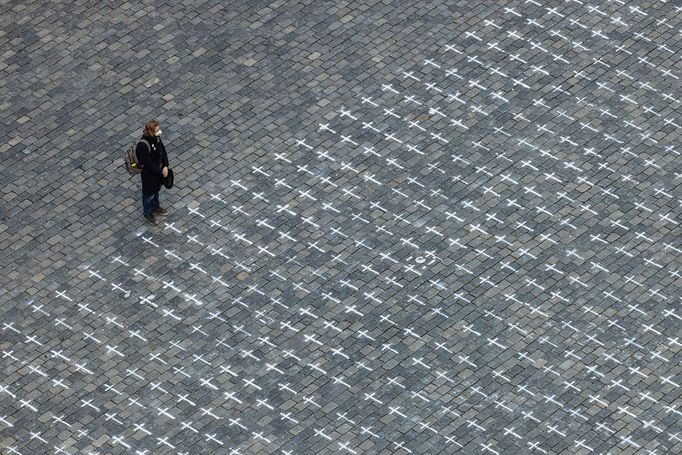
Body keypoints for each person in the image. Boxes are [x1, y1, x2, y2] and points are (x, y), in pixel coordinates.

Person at [137, 120, 170, 224]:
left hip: (158, 172)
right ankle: (147, 213)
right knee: (148, 195)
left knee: (156, 191)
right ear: (151, 132)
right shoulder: (142, 146)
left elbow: (163, 152)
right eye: (157, 130)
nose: (159, 131)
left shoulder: (157, 138)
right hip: (149, 175)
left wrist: (165, 165)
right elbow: (147, 164)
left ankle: (155, 207)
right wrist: (160, 171)